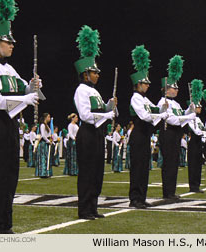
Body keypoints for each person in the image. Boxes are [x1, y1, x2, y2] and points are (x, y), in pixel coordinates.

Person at [0, 0, 42, 234]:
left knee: (10, 176)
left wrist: (33, 86)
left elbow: (24, 88)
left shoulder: (9, 69)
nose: (12, 45)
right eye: (8, 41)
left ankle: (6, 223)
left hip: (10, 125)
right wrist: (24, 99)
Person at [74, 25, 116, 220]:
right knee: (88, 172)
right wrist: (107, 115)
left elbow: (99, 111)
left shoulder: (96, 92)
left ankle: (93, 207)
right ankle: (84, 209)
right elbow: (85, 115)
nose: (98, 75)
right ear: (85, 74)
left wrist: (110, 106)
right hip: (88, 133)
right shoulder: (81, 90)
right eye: (94, 72)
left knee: (97, 172)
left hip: (97, 133)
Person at [128, 45, 167, 208]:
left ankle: (142, 197)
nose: (148, 85)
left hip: (145, 135)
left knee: (144, 167)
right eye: (145, 83)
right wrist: (161, 115)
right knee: (137, 167)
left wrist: (164, 109)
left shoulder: (145, 99)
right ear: (138, 83)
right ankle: (135, 198)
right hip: (138, 134)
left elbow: (156, 109)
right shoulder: (136, 98)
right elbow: (145, 116)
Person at [157, 55, 196, 200]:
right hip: (168, 133)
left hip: (175, 134)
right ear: (167, 89)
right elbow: (173, 120)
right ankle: (167, 192)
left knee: (174, 163)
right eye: (174, 87)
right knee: (168, 163)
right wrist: (188, 117)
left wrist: (189, 110)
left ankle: (171, 191)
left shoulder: (177, 104)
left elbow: (180, 116)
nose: (177, 89)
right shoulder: (163, 102)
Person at [187, 79, 206, 193]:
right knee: (193, 165)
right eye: (198, 107)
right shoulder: (191, 117)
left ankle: (197, 185)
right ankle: (193, 186)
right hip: (193, 142)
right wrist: (202, 131)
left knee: (198, 164)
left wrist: (204, 130)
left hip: (199, 142)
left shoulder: (199, 119)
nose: (200, 108)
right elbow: (197, 131)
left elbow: (202, 130)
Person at [36, 113, 53, 178]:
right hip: (44, 143)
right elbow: (43, 135)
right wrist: (48, 141)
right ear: (45, 117)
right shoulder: (42, 125)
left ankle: (47, 172)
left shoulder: (47, 125)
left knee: (47, 158)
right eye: (48, 117)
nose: (49, 118)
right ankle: (43, 173)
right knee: (43, 158)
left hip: (47, 143)